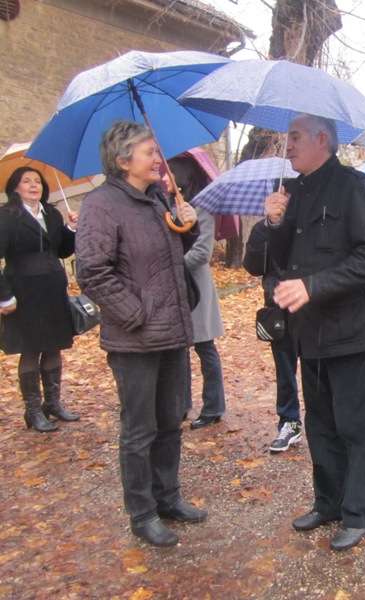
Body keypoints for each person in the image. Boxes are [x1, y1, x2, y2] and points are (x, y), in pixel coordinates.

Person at [75, 120, 207, 547]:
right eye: (149, 152)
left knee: (170, 422)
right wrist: (137, 312)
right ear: (122, 160)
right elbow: (91, 271)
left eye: (156, 151)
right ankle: (142, 513)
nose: (158, 159)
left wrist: (188, 226)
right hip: (135, 338)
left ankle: (168, 498)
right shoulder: (102, 204)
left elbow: (168, 258)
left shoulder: (156, 199)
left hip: (172, 331)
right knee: (139, 429)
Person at [264, 113, 365, 551]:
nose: (289, 145)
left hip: (350, 331)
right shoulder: (292, 192)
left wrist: (312, 287)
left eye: (295, 137)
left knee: (354, 426)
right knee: (319, 424)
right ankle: (328, 503)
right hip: (309, 333)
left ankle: (357, 513)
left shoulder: (355, 187)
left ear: (323, 139)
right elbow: (270, 260)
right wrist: (273, 223)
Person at [0, 167, 80, 432]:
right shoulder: (6, 216)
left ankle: (53, 403)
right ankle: (33, 410)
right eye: (26, 181)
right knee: (31, 348)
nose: (34, 185)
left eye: (37, 181)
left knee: (54, 345)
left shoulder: (51, 214)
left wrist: (70, 228)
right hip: (24, 290)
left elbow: (63, 251)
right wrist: (4, 297)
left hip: (53, 287)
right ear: (15, 187)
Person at [164, 156, 226, 430]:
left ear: (180, 176)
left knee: (204, 347)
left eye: (168, 173)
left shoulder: (200, 207)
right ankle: (181, 405)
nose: (163, 178)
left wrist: (170, 266)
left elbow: (202, 252)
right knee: (179, 349)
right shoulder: (165, 206)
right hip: (172, 288)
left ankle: (213, 407)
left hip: (195, 286)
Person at [243, 213, 303, 452]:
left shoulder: (308, 223)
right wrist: (269, 228)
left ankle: (324, 424)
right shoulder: (262, 228)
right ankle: (289, 421)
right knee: (285, 370)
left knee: (319, 370)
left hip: (313, 304)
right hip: (278, 307)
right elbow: (253, 266)